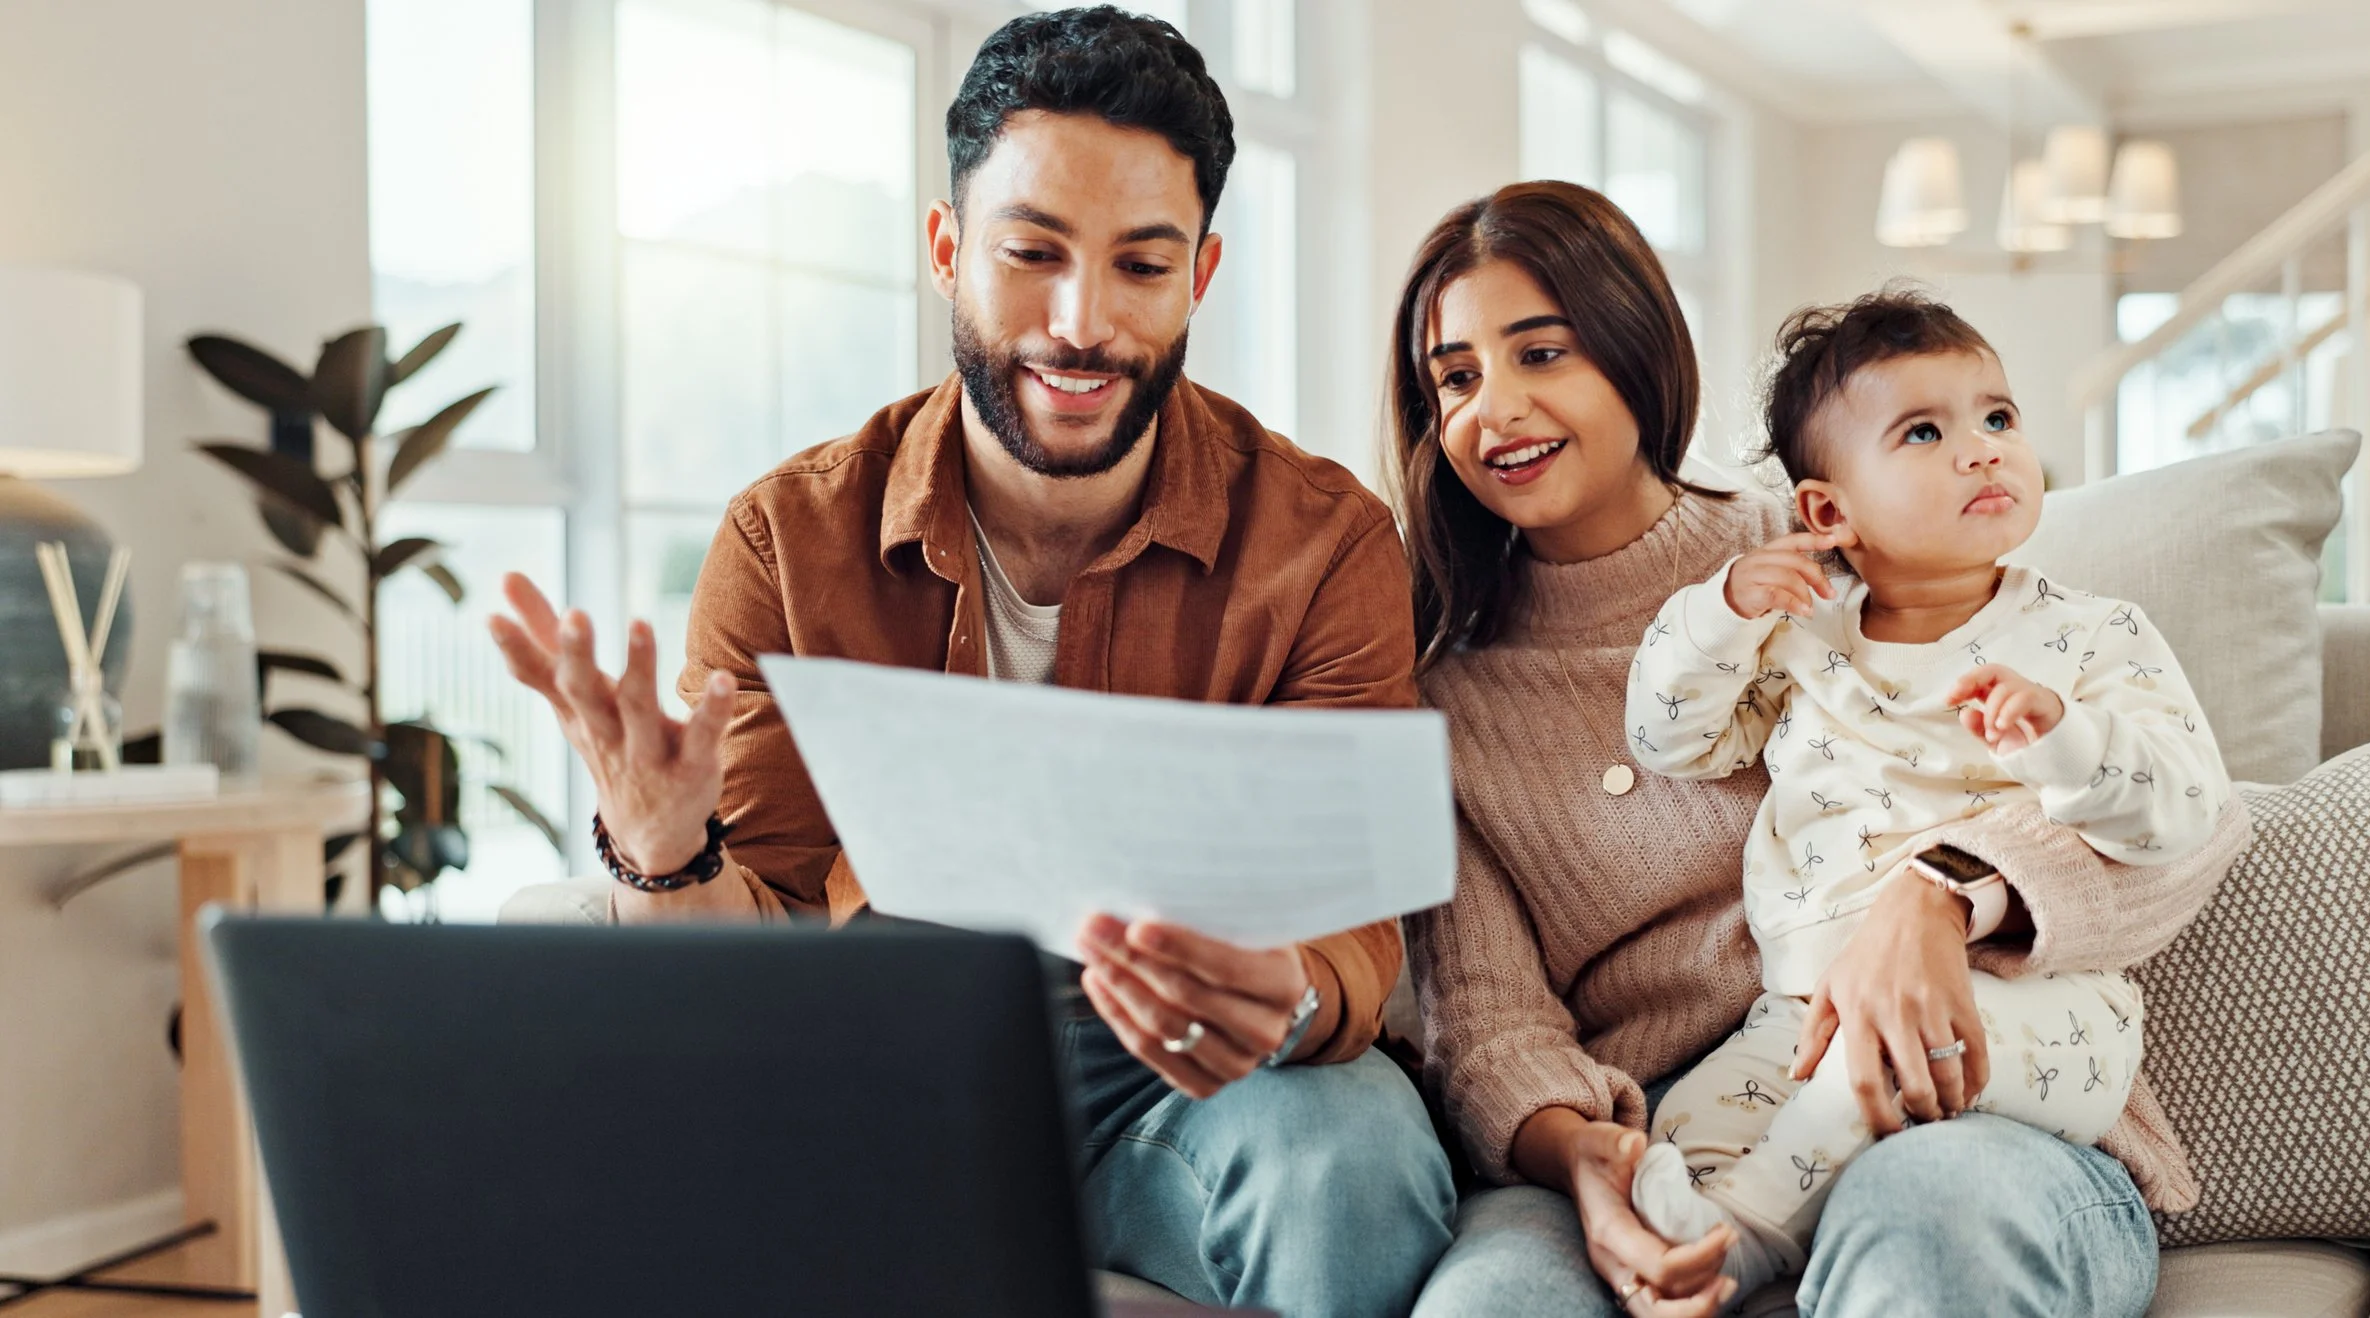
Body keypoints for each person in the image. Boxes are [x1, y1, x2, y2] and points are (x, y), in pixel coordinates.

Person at [484, 9, 1452, 1315]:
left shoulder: (1323, 542)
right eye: (1032, 252)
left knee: (1353, 1147)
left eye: (1140, 267)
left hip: (1181, 1085)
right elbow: (745, 978)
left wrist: (1283, 998)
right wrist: (662, 842)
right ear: (948, 249)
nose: (1080, 322)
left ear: (1201, 278)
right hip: (879, 1074)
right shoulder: (788, 540)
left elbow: (1352, 930)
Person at [1387, 181, 2250, 1318]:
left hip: (1959, 1096)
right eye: (1455, 378)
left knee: (1929, 1234)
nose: (1495, 407)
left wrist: (1943, 895)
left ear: (1633, 349)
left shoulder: (1849, 549)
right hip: (1666, 1126)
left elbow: (2196, 822)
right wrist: (1579, 1159)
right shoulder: (1454, 696)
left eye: (1541, 352)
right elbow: (1490, 1018)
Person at [1621, 287, 2234, 1304]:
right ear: (1827, 512)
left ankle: (1760, 1228)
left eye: (1997, 417)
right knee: (1677, 1145)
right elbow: (1668, 739)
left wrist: (2063, 739)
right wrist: (1719, 612)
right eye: (1923, 430)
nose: (1983, 448)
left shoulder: (2092, 636)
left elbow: (2182, 806)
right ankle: (1726, 1231)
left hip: (2030, 1012)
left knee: (1829, 1111)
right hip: (1800, 1013)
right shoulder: (1798, 642)